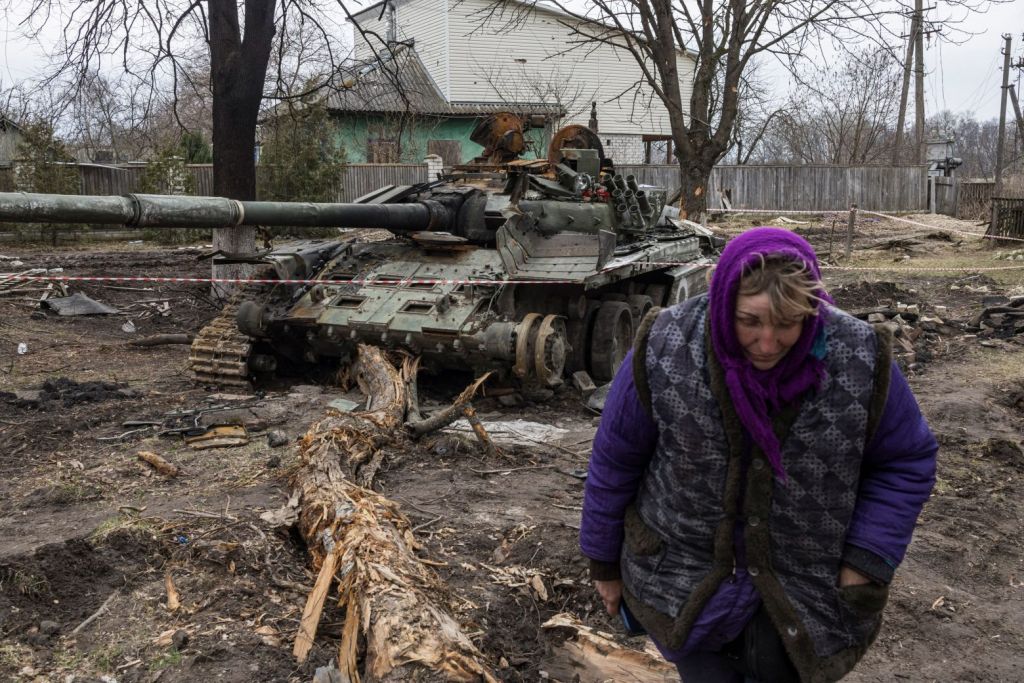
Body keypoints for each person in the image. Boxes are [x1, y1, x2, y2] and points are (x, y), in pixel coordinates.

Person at [580, 227, 937, 683]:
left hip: (808, 591)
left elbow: (906, 460)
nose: (768, 343)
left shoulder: (860, 357)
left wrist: (866, 561)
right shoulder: (665, 344)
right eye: (749, 321)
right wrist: (604, 562)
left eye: (788, 323)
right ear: (723, 300)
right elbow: (615, 460)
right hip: (684, 582)